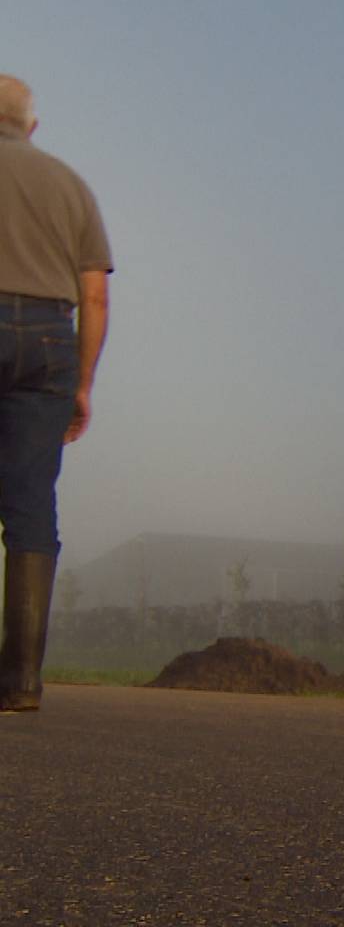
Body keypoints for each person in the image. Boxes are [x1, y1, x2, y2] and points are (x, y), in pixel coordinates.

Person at [0, 75, 111, 712]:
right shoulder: (71, 186)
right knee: (31, 504)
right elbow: (94, 294)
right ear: (32, 126)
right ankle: (20, 682)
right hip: (49, 342)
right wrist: (83, 382)